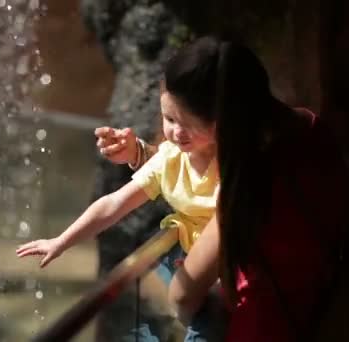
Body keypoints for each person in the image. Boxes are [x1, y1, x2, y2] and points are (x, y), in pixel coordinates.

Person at [138, 35, 349, 342]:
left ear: (217, 123)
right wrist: (141, 154)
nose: (173, 132)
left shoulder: (248, 183)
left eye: (184, 122)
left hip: (262, 327)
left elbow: (183, 294)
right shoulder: (310, 127)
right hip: (320, 298)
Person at [16, 46, 229, 340]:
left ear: (219, 120)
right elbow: (114, 204)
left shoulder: (235, 166)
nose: (178, 133)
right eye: (169, 120)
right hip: (185, 267)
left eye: (190, 124)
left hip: (227, 278)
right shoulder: (169, 158)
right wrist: (62, 241)